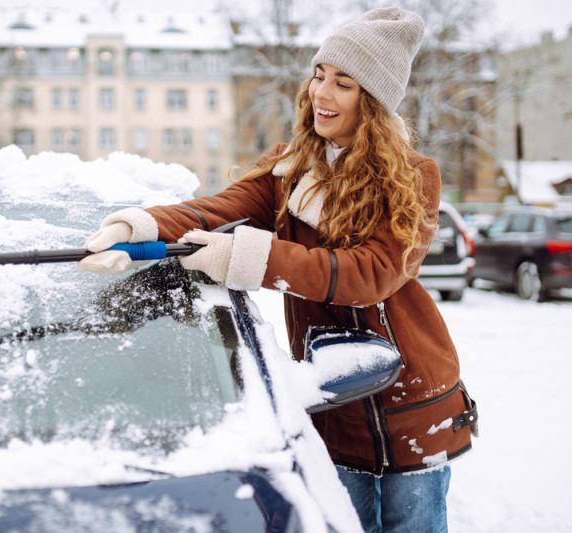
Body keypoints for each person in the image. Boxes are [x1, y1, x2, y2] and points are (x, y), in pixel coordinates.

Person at [77, 7, 477, 532]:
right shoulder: (290, 169)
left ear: (373, 101)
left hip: (413, 397)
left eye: (344, 84)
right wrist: (136, 227)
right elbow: (216, 209)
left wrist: (245, 259)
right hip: (333, 400)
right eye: (319, 75)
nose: (322, 94)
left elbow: (370, 274)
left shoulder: (413, 177)